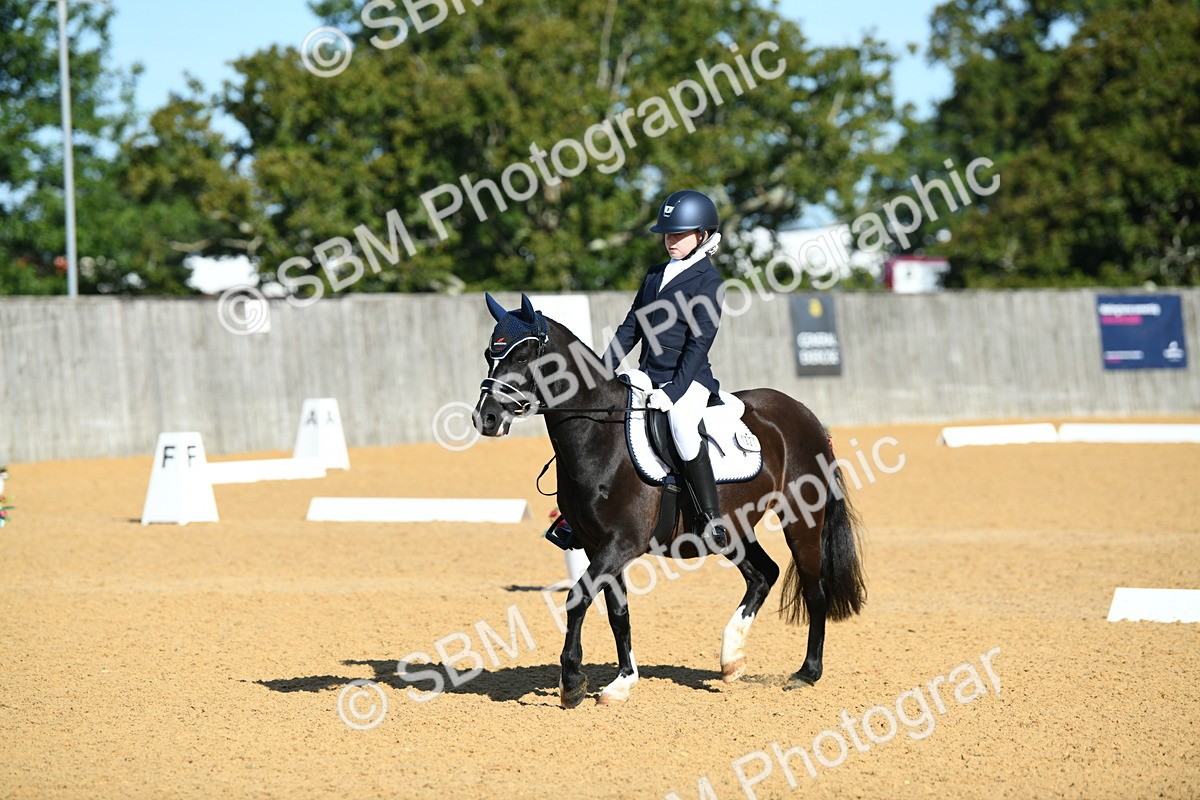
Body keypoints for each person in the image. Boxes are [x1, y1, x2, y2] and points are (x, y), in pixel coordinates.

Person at [601, 189, 729, 549]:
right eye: (667, 235)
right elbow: (631, 327)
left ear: (702, 235)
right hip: (647, 375)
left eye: (678, 234)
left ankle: (710, 518)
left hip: (688, 381)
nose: (669, 241)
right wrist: (602, 370)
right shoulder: (655, 275)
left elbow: (698, 345)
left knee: (682, 426)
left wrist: (673, 392)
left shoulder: (709, 283)